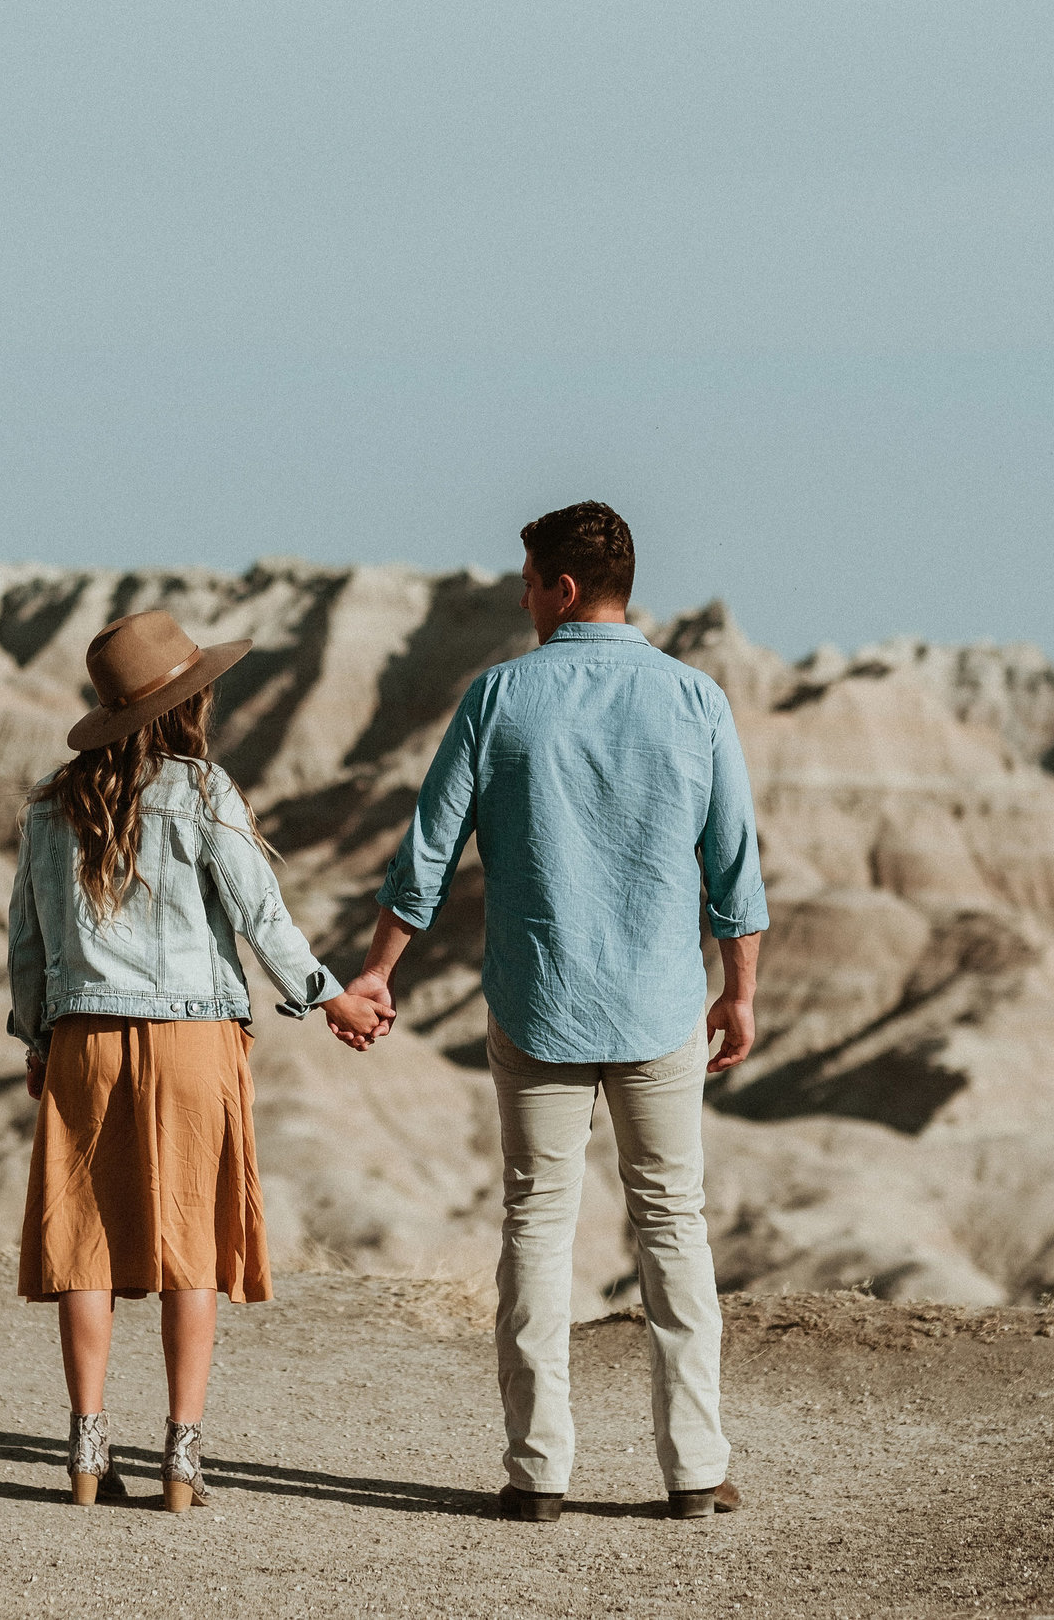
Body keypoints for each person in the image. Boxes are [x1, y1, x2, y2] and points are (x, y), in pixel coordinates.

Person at [331, 501, 768, 1523]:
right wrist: (739, 989)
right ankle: (695, 1468)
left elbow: (426, 854)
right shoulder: (694, 698)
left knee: (536, 1225)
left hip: (538, 1006)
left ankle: (538, 1473)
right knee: (673, 1226)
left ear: (562, 588)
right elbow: (734, 863)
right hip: (661, 1008)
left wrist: (377, 972)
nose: (521, 595)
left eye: (527, 579)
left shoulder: (499, 699)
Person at [10, 609, 385, 1512]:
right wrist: (329, 995)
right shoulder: (205, 790)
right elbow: (261, 918)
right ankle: (183, 1458)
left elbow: (27, 942)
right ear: (188, 702)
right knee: (192, 1247)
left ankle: (87, 1452)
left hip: (84, 1040)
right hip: (192, 1042)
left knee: (86, 1247)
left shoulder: (51, 806)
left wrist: (37, 1038)